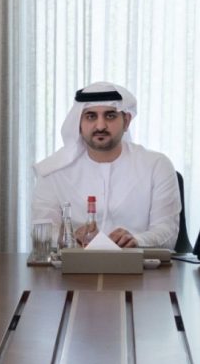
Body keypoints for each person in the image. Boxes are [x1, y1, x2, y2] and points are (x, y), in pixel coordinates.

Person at [28, 81, 182, 250]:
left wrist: (136, 240)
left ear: (126, 121)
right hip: (76, 264)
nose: (100, 126)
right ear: (78, 123)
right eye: (91, 116)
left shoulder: (156, 166)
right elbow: (41, 233)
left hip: (138, 263)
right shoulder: (52, 171)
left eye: (110, 116)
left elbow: (167, 233)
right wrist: (68, 237)